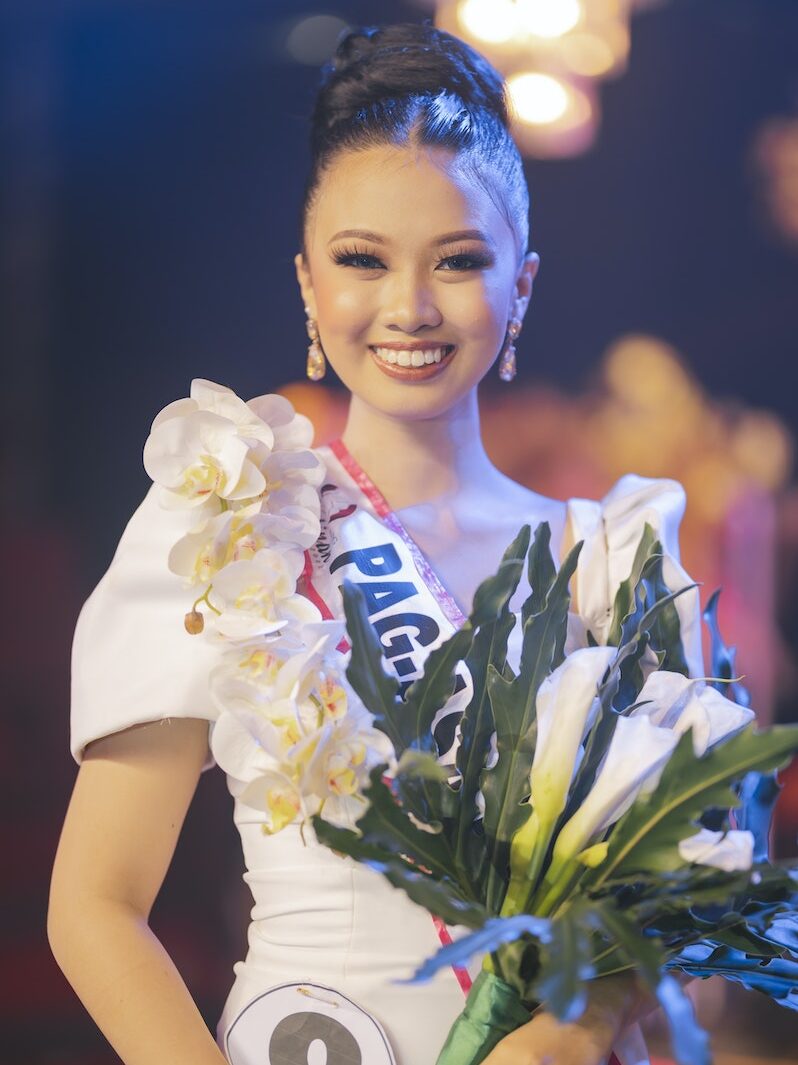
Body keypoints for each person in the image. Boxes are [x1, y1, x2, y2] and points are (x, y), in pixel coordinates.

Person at [48, 21, 705, 1065]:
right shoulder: (227, 522)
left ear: (520, 288)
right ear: (310, 285)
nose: (408, 306)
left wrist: (569, 1036)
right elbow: (95, 903)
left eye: (457, 261)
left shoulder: (614, 562)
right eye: (363, 261)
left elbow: (665, 883)